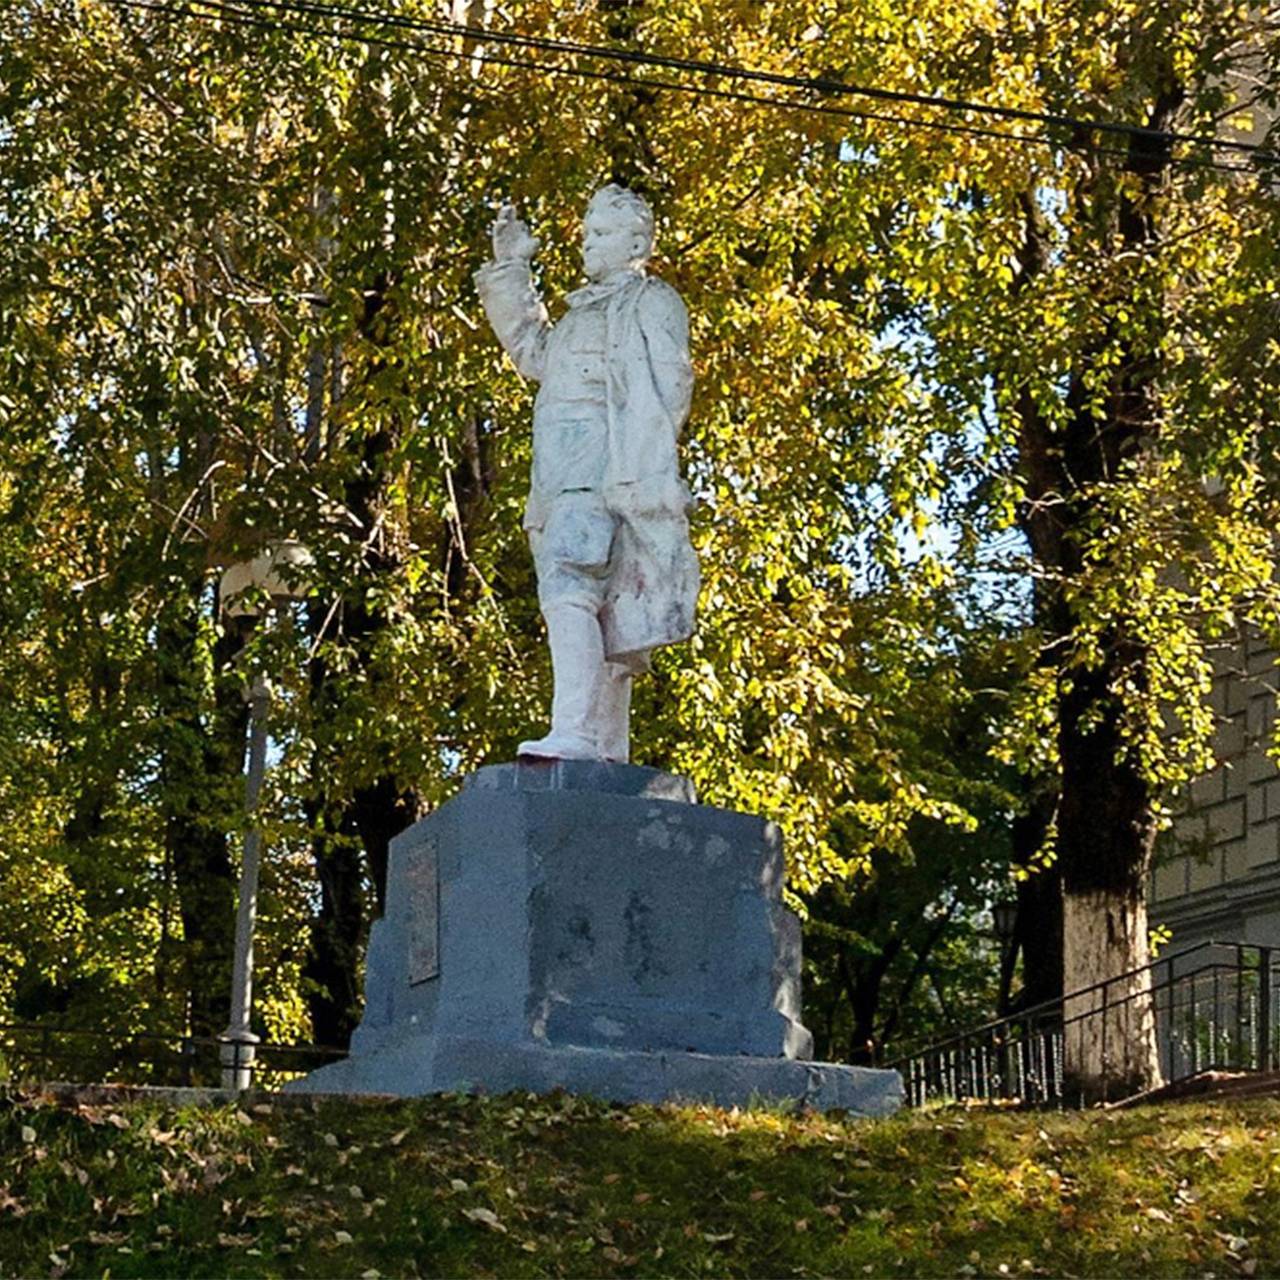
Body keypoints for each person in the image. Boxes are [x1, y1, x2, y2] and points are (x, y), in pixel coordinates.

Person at [475, 184, 699, 762]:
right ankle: (604, 746)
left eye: (601, 234)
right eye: (587, 233)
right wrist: (513, 267)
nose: (587, 244)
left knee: (570, 585)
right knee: (604, 607)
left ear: (637, 244)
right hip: (558, 476)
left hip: (606, 472)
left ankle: (574, 731)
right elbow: (533, 351)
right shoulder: (580, 315)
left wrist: (643, 473)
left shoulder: (651, 301)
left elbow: (670, 387)